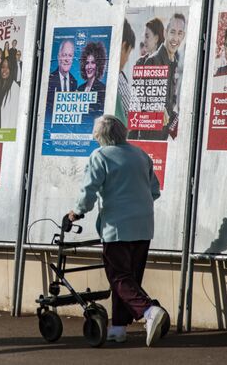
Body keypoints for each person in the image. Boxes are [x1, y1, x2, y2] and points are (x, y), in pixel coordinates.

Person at [66, 115, 166, 347]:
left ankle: (150, 311)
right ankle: (118, 328)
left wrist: (77, 212)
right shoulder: (140, 154)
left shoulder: (100, 156)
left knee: (118, 277)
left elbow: (89, 190)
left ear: (100, 136)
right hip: (143, 225)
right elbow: (155, 190)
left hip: (117, 227)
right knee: (130, 278)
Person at [134, 13, 186, 141]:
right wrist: (157, 107)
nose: (176, 38)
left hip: (162, 137)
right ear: (165, 32)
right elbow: (139, 98)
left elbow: (169, 103)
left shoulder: (173, 62)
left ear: (183, 36)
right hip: (150, 138)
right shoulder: (154, 60)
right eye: (172, 32)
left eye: (180, 33)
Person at [115, 19, 136, 128]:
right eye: (128, 53)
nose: (127, 59)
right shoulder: (118, 78)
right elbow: (134, 111)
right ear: (123, 46)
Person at [0, 58, 20, 128]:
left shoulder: (15, 87)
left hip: (7, 134)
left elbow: (14, 117)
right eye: (3, 67)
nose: (4, 70)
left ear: (12, 70)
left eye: (8, 67)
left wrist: (9, 136)